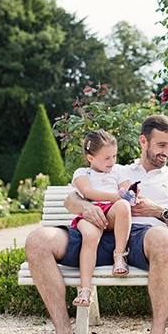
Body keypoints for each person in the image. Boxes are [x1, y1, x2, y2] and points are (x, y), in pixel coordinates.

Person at [24, 114, 168, 334]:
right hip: (98, 232)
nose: (167, 152)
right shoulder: (117, 169)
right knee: (37, 240)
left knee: (163, 236)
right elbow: (70, 199)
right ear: (143, 141)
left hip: (143, 239)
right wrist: (85, 207)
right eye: (162, 145)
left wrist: (159, 212)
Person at [70, 129, 133, 307]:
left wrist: (128, 195)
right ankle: (85, 289)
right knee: (89, 237)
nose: (112, 161)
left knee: (123, 205)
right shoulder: (82, 173)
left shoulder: (118, 171)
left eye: (114, 156)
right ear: (90, 158)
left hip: (111, 211)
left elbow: (124, 191)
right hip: (90, 211)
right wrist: (111, 196)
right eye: (107, 158)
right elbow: (87, 192)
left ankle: (119, 256)